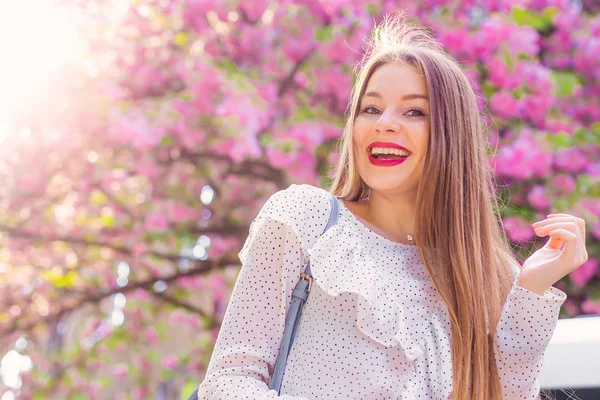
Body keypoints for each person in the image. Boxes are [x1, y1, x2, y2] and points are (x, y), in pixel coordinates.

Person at [194, 11, 589, 400]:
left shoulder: (490, 274)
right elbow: (229, 381)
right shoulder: (307, 220)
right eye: (370, 108)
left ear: (452, 137)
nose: (384, 123)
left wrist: (533, 287)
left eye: (414, 111)